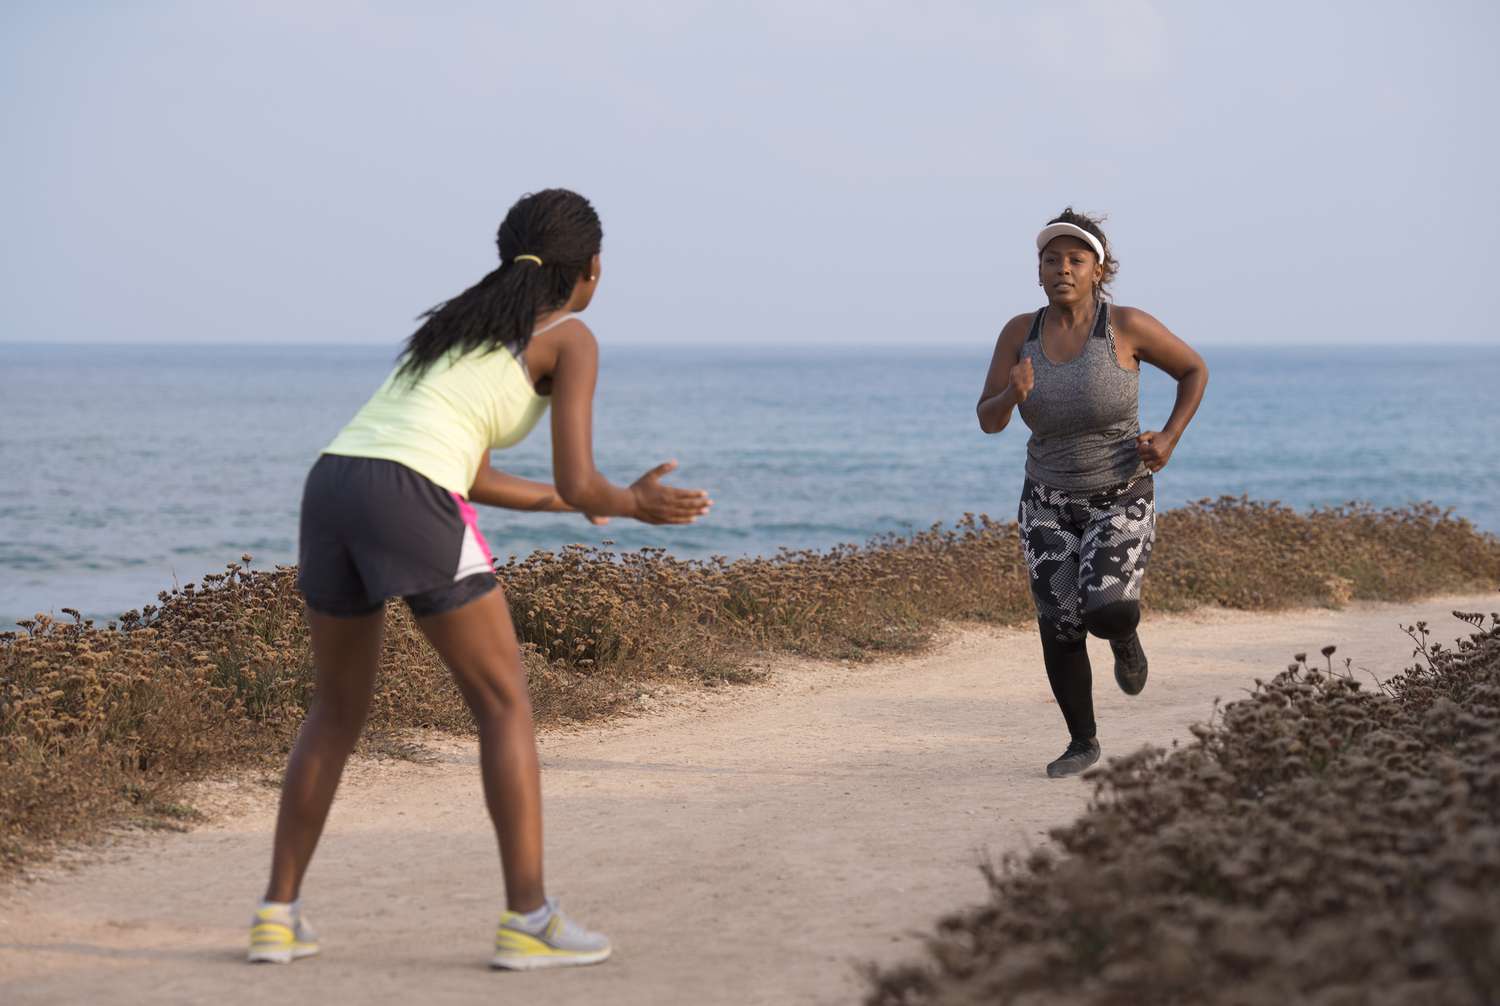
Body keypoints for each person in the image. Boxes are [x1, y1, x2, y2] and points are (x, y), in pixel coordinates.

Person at [248, 188, 711, 969]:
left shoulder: (452, 330)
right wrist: (628, 503)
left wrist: (577, 507)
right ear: (592, 270)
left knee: (334, 711)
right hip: (410, 493)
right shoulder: (571, 337)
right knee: (503, 703)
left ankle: (276, 915)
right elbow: (580, 475)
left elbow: (477, 470)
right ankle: (528, 918)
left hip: (333, 484)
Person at [976, 208, 1207, 778]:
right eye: (1050, 260)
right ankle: (1082, 741)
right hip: (1047, 501)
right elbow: (987, 419)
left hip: (1120, 493)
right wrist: (1010, 393)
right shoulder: (1018, 334)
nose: (1062, 269)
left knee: (1104, 611)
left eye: (1076, 259)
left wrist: (1170, 437)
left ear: (1098, 269)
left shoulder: (1126, 326)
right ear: (1038, 271)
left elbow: (1194, 370)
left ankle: (1125, 639)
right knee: (1060, 624)